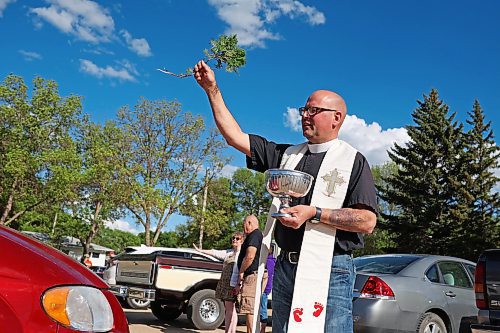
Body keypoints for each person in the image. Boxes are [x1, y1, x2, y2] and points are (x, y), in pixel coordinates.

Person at [193, 60, 378, 333]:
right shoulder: (287, 155)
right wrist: (212, 89)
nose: (304, 115)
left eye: (313, 110)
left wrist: (314, 214)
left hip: (330, 269)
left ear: (336, 118)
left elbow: (366, 221)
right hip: (286, 266)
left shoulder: (353, 161)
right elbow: (234, 137)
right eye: (304, 109)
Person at [193, 231, 245, 333]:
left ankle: (229, 331)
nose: (234, 240)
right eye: (233, 238)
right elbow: (214, 252)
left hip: (233, 284)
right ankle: (230, 330)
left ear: (242, 241)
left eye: (237, 239)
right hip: (225, 283)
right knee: (229, 308)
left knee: (230, 308)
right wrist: (200, 250)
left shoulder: (242, 255)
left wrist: (239, 284)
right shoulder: (228, 252)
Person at [233, 215, 267, 333]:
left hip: (253, 275)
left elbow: (250, 256)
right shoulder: (256, 235)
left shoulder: (254, 235)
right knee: (252, 308)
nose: (243, 228)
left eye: (244, 225)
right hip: (255, 274)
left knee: (249, 308)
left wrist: (241, 271)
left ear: (249, 223)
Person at [259, 243, 276, 333]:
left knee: (262, 309)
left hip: (264, 288)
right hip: (268, 287)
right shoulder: (274, 261)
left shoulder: (265, 261)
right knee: (263, 307)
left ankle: (262, 329)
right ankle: (262, 328)